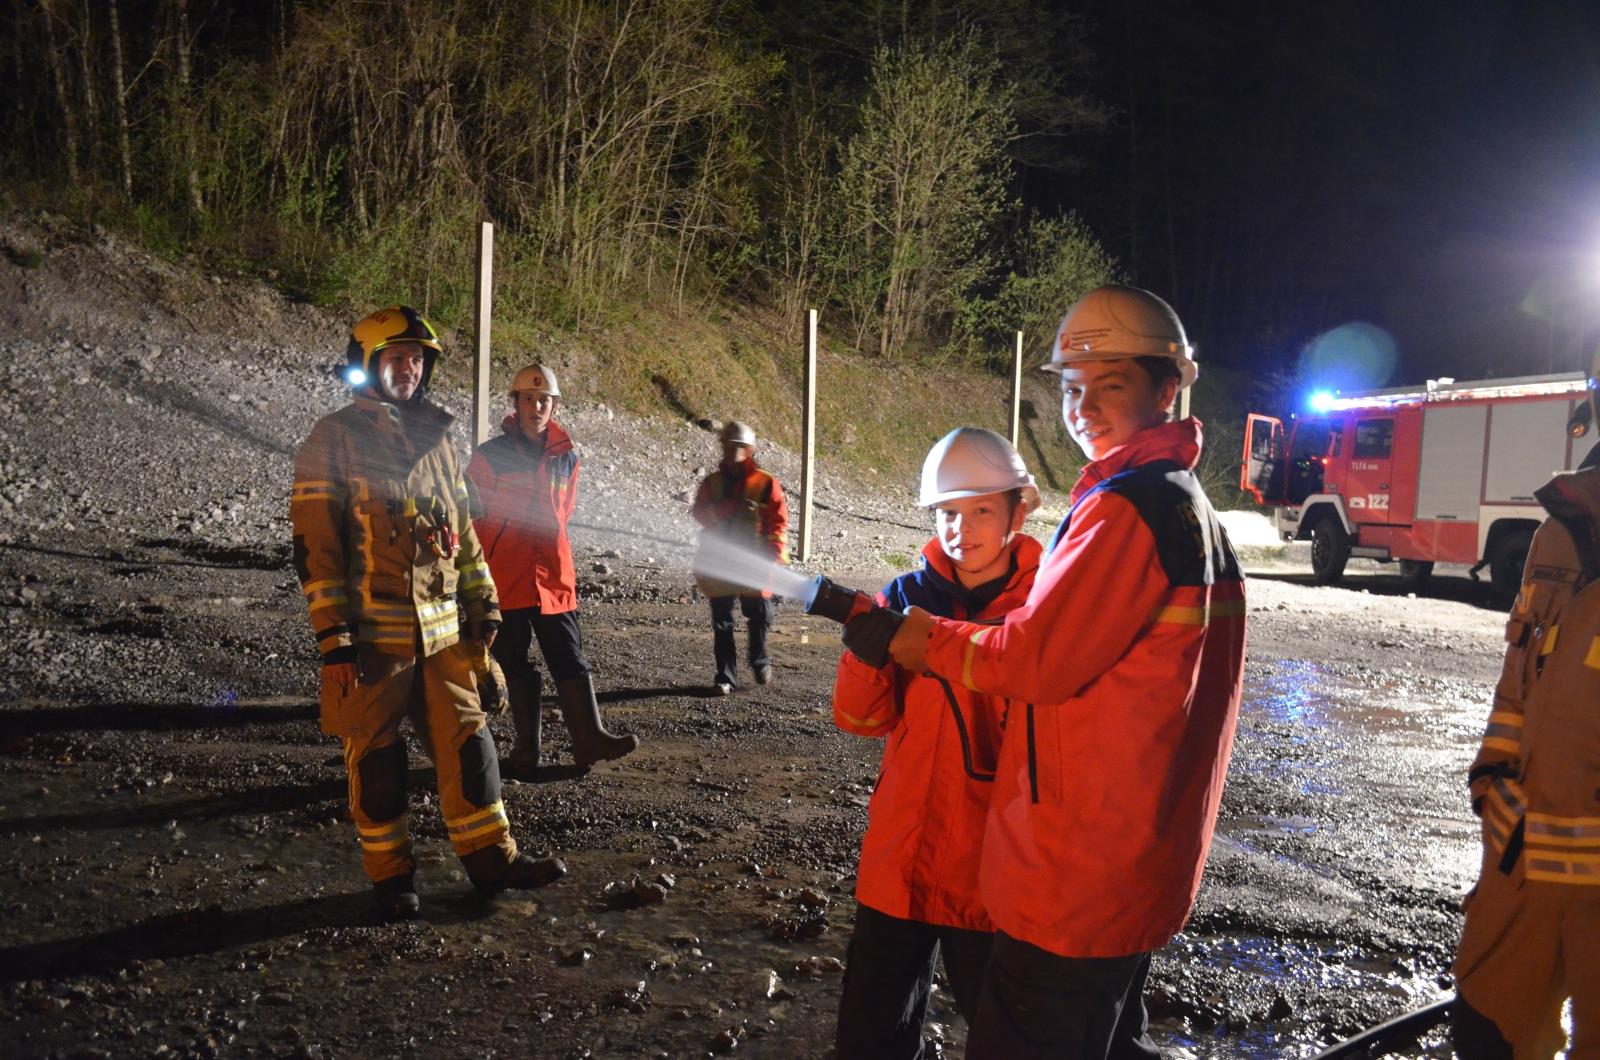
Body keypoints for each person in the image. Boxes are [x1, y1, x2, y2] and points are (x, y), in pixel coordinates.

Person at [848, 284, 1247, 1057]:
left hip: (1079, 871)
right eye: (1071, 388)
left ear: (1169, 386)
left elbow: (1034, 663)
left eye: (1111, 385)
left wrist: (926, 640)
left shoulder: (1125, 509)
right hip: (1133, 854)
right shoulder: (1186, 508)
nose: (1084, 408)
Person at [290, 305, 565, 921]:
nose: (409, 369)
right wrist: (334, 641)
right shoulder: (332, 439)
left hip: (444, 637)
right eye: (396, 358)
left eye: (417, 359)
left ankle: (493, 860)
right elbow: (316, 548)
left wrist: (484, 604)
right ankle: (392, 877)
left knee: (471, 747)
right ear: (367, 364)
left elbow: (462, 534)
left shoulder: (440, 437)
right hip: (372, 641)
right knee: (379, 762)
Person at [833, 428, 1043, 1059]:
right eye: (948, 512)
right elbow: (859, 720)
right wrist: (866, 659)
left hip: (993, 870)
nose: (962, 528)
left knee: (1005, 1040)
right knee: (869, 1040)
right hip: (901, 855)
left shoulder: (1042, 608)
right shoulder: (904, 597)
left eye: (981, 510)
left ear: (1017, 511)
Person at [1450, 352, 1600, 1059]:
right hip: (1523, 871)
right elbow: (1520, 684)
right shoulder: (1562, 528)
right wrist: (1492, 782)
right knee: (1485, 1037)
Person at [466, 362, 637, 777]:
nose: (536, 406)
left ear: (554, 406)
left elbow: (564, 512)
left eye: (544, 400)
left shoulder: (567, 457)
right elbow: (472, 517)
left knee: (569, 658)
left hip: (553, 577)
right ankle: (526, 752)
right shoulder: (489, 457)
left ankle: (590, 739)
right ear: (516, 403)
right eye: (528, 399)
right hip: (506, 576)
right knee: (512, 662)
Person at [690, 420, 790, 694]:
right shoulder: (712, 483)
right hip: (719, 562)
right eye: (727, 445)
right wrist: (730, 508)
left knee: (760, 614)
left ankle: (759, 660)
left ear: (749, 449)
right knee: (722, 622)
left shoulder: (766, 483)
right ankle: (725, 677)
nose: (730, 451)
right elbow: (700, 513)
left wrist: (772, 556)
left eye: (737, 446)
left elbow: (778, 522)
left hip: (754, 562)